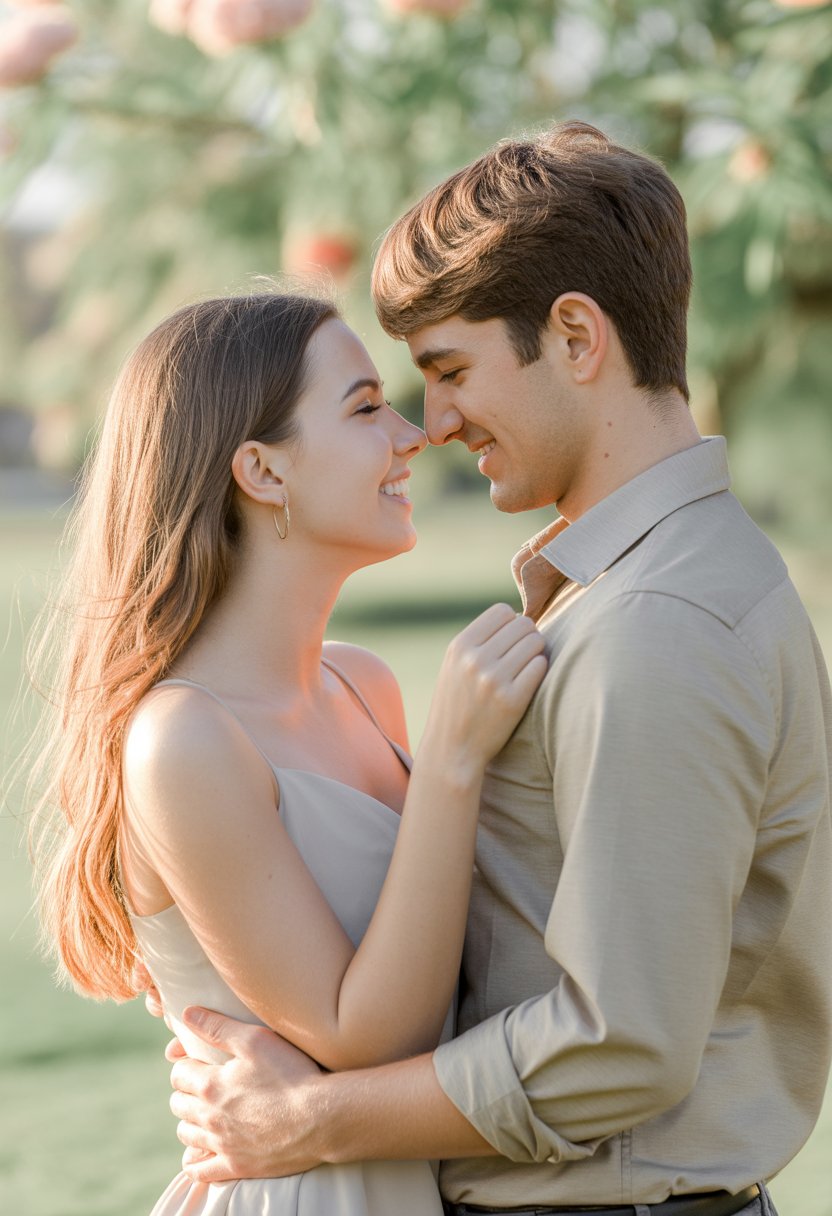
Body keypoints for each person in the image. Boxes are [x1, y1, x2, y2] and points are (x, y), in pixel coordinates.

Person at [159, 122, 832, 1216]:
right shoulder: (651, 587)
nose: (436, 423)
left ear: (574, 337)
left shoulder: (651, 625)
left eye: (449, 371)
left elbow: (616, 1046)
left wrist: (303, 1121)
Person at [29, 289, 549, 1216]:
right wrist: (455, 761)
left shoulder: (364, 683)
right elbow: (365, 1035)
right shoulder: (184, 740)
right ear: (262, 471)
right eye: (363, 407)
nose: (411, 434)